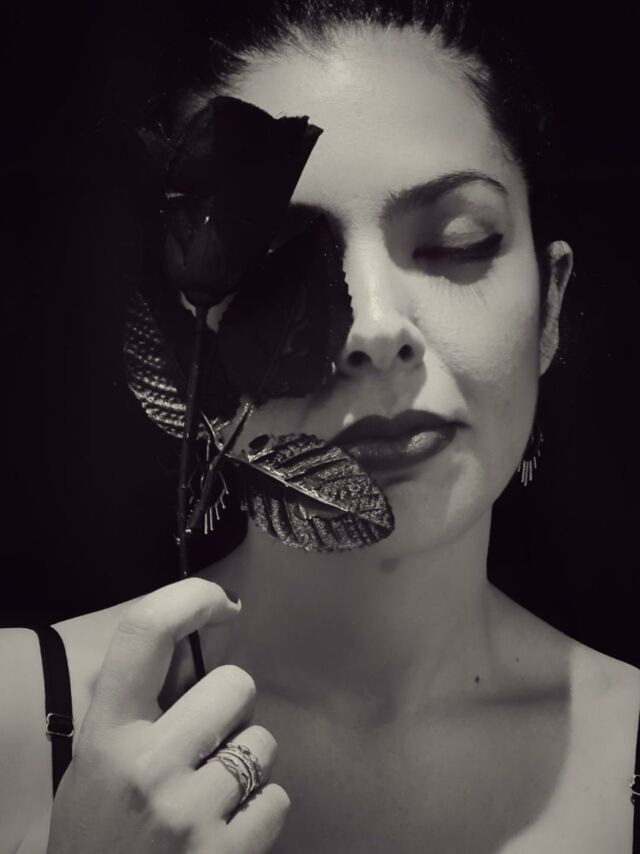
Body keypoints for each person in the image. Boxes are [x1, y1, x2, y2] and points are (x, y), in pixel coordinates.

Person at [2, 1, 639, 852]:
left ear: (550, 306)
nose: (373, 326)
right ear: (187, 330)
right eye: (281, 263)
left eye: (456, 243)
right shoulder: (19, 717)